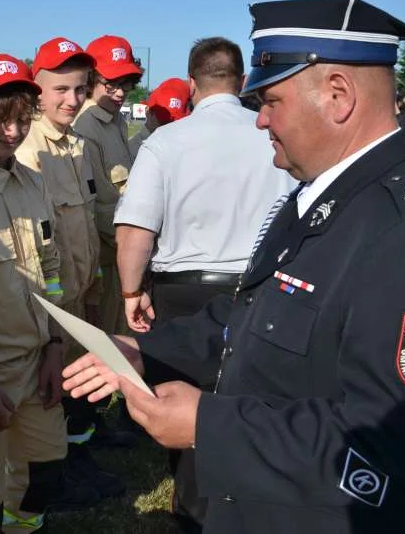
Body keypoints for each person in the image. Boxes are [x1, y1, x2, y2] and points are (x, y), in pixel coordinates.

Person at [64, 0, 405, 534]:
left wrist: (211, 426)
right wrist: (145, 351)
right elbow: (255, 318)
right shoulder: (322, 196)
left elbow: (394, 448)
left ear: (339, 96)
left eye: (270, 101)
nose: (260, 122)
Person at [114, 37, 295, 532]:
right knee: (250, 403)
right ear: (241, 83)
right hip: (260, 288)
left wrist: (132, 292)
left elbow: (135, 228)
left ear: (191, 85)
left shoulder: (168, 140)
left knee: (185, 402)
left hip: (184, 293)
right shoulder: (272, 133)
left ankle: (195, 510)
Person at [0, 54, 99, 534]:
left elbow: (49, 272)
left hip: (38, 362)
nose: (11, 132)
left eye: (22, 120)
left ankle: (24, 526)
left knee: (47, 472)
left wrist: (54, 346)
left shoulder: (32, 183)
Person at [14, 36, 129, 500]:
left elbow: (87, 216)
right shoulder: (29, 151)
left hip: (79, 294)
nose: (73, 99)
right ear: (36, 91)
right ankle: (58, 474)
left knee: (78, 382)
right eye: (61, 89)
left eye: (80, 88)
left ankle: (78, 456)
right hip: (48, 308)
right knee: (51, 393)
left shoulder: (75, 145)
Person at [73, 35, 143, 336]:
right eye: (110, 83)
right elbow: (101, 206)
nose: (119, 92)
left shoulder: (115, 121)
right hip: (106, 256)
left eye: (126, 83)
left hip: (120, 251)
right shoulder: (86, 126)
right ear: (91, 80)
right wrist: (139, 245)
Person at [128, 77, 191, 156]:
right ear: (148, 112)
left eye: (173, 123)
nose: (166, 127)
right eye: (161, 121)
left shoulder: (189, 150)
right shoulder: (130, 149)